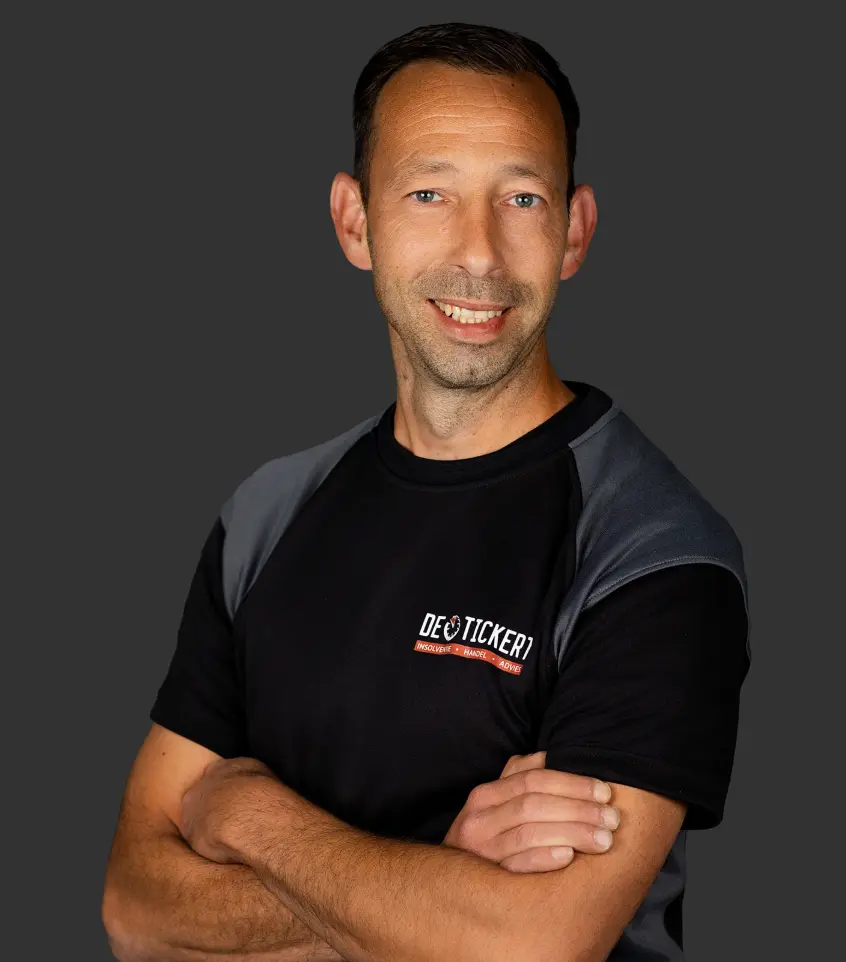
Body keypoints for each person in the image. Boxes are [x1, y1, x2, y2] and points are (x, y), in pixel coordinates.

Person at [102, 21, 751, 962]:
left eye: (521, 198)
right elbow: (135, 909)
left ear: (573, 231)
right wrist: (438, 870)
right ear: (354, 221)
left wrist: (242, 815)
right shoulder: (265, 516)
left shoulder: (654, 552)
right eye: (429, 193)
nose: (479, 253)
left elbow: (529, 947)